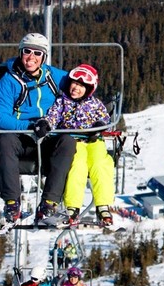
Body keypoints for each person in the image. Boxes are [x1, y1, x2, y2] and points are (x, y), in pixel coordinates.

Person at [0, 33, 76, 224]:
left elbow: (81, 88)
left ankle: (49, 202)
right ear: (20, 53)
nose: (31, 57)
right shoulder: (9, 81)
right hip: (22, 137)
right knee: (4, 141)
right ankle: (12, 202)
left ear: (43, 57)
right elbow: (0, 117)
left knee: (68, 142)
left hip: (49, 136)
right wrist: (29, 126)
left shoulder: (55, 77)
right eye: (27, 52)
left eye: (37, 53)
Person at [39, 63, 115, 227]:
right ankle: (72, 206)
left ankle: (103, 204)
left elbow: (105, 119)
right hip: (74, 140)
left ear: (89, 89)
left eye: (81, 86)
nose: (76, 88)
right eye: (74, 83)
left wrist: (99, 125)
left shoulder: (94, 103)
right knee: (77, 165)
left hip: (94, 141)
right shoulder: (62, 102)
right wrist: (46, 123)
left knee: (101, 164)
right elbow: (52, 117)